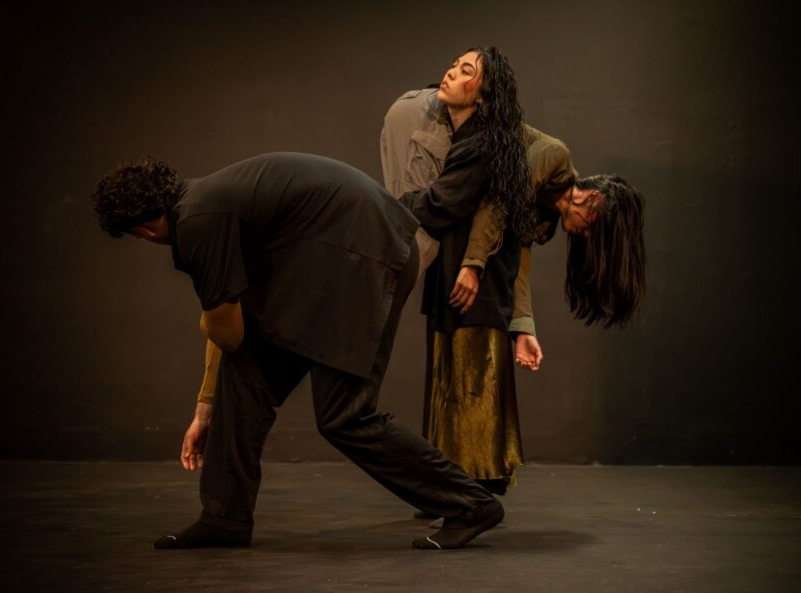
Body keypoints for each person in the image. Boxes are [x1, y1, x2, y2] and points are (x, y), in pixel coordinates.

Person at [91, 152, 505, 550]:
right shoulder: (201, 203)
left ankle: (471, 506)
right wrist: (205, 408)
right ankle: (224, 516)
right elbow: (231, 336)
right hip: (329, 267)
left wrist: (209, 317)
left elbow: (225, 331)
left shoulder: (198, 222)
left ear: (143, 230)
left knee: (345, 415)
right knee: (244, 381)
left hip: (364, 258)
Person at [383, 68, 647, 498]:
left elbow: (517, 267)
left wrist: (523, 329)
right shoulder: (555, 156)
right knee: (462, 371)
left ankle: (462, 481)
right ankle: (456, 481)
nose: (584, 234)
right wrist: (471, 264)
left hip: (473, 266)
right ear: (592, 198)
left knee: (467, 370)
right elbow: (497, 199)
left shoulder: (546, 219)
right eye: (592, 226)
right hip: (430, 136)